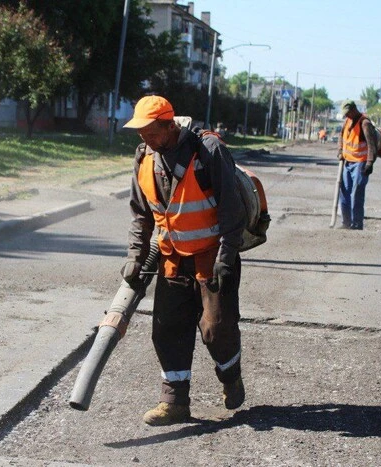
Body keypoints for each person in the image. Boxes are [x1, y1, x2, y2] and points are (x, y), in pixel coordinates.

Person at [121, 95, 247, 426]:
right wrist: (136, 255)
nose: (145, 139)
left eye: (151, 132)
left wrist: (227, 255)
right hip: (172, 259)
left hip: (212, 256)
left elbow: (231, 209)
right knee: (167, 328)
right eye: (140, 133)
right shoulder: (144, 157)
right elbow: (141, 214)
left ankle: (231, 376)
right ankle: (174, 402)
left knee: (215, 329)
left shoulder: (207, 151)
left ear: (169, 125)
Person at [336, 101, 377, 230]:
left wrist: (370, 163)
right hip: (347, 162)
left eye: (348, 113)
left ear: (354, 110)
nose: (346, 116)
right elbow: (341, 136)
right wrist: (340, 151)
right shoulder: (347, 121)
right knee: (345, 192)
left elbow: (372, 145)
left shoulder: (365, 123)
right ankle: (346, 222)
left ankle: (357, 224)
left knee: (356, 193)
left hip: (361, 163)